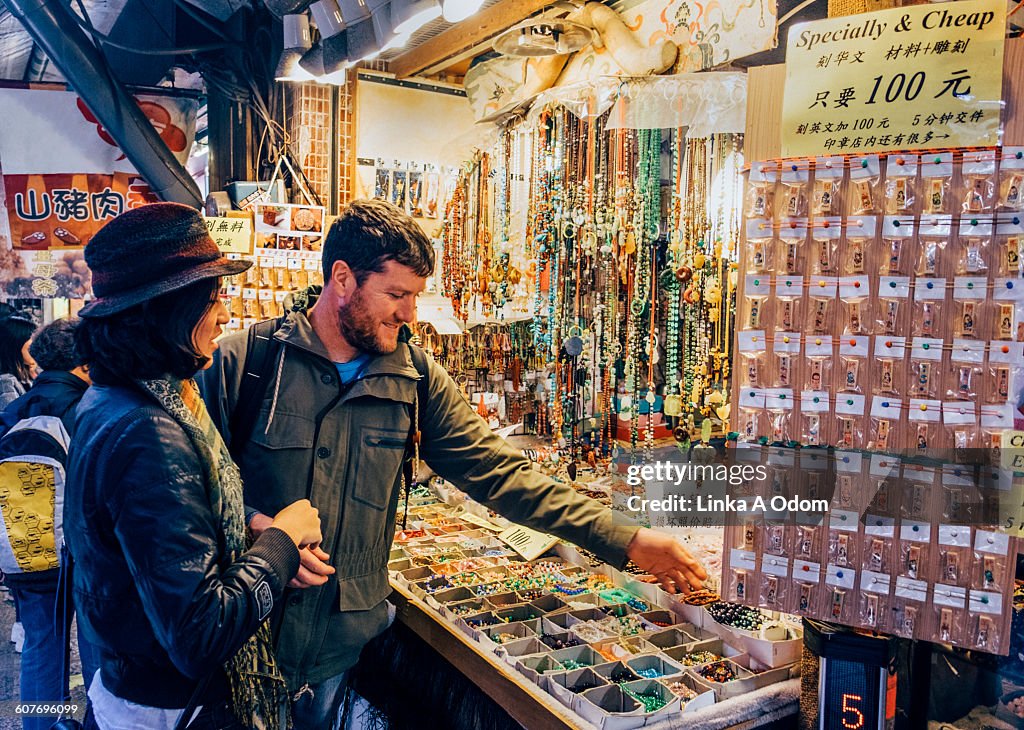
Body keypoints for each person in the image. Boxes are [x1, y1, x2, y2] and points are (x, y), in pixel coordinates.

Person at [201, 198, 708, 729]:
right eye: (396, 295)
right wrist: (262, 528)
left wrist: (623, 538)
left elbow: (500, 471)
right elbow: (186, 492)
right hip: (242, 641)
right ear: (343, 279)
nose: (409, 314)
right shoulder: (245, 363)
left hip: (338, 652)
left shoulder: (413, 378)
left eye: (415, 297)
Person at [64, 203, 324, 730]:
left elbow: (161, 527)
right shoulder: (146, 428)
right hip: (171, 707)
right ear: (167, 311)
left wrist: (253, 524)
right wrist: (281, 542)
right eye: (213, 299)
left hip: (136, 686)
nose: (225, 316)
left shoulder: (119, 396)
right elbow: (199, 634)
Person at [0, 318, 98, 730]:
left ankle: (41, 725)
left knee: (41, 648)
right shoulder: (88, 408)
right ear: (84, 363)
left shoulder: (14, 410)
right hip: (84, 553)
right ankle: (100, 721)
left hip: (28, 548)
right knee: (96, 648)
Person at [0, 313, 38, 410]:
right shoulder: (5, 383)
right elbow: (10, 418)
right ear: (15, 346)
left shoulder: (29, 373)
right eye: (31, 347)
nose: (36, 350)